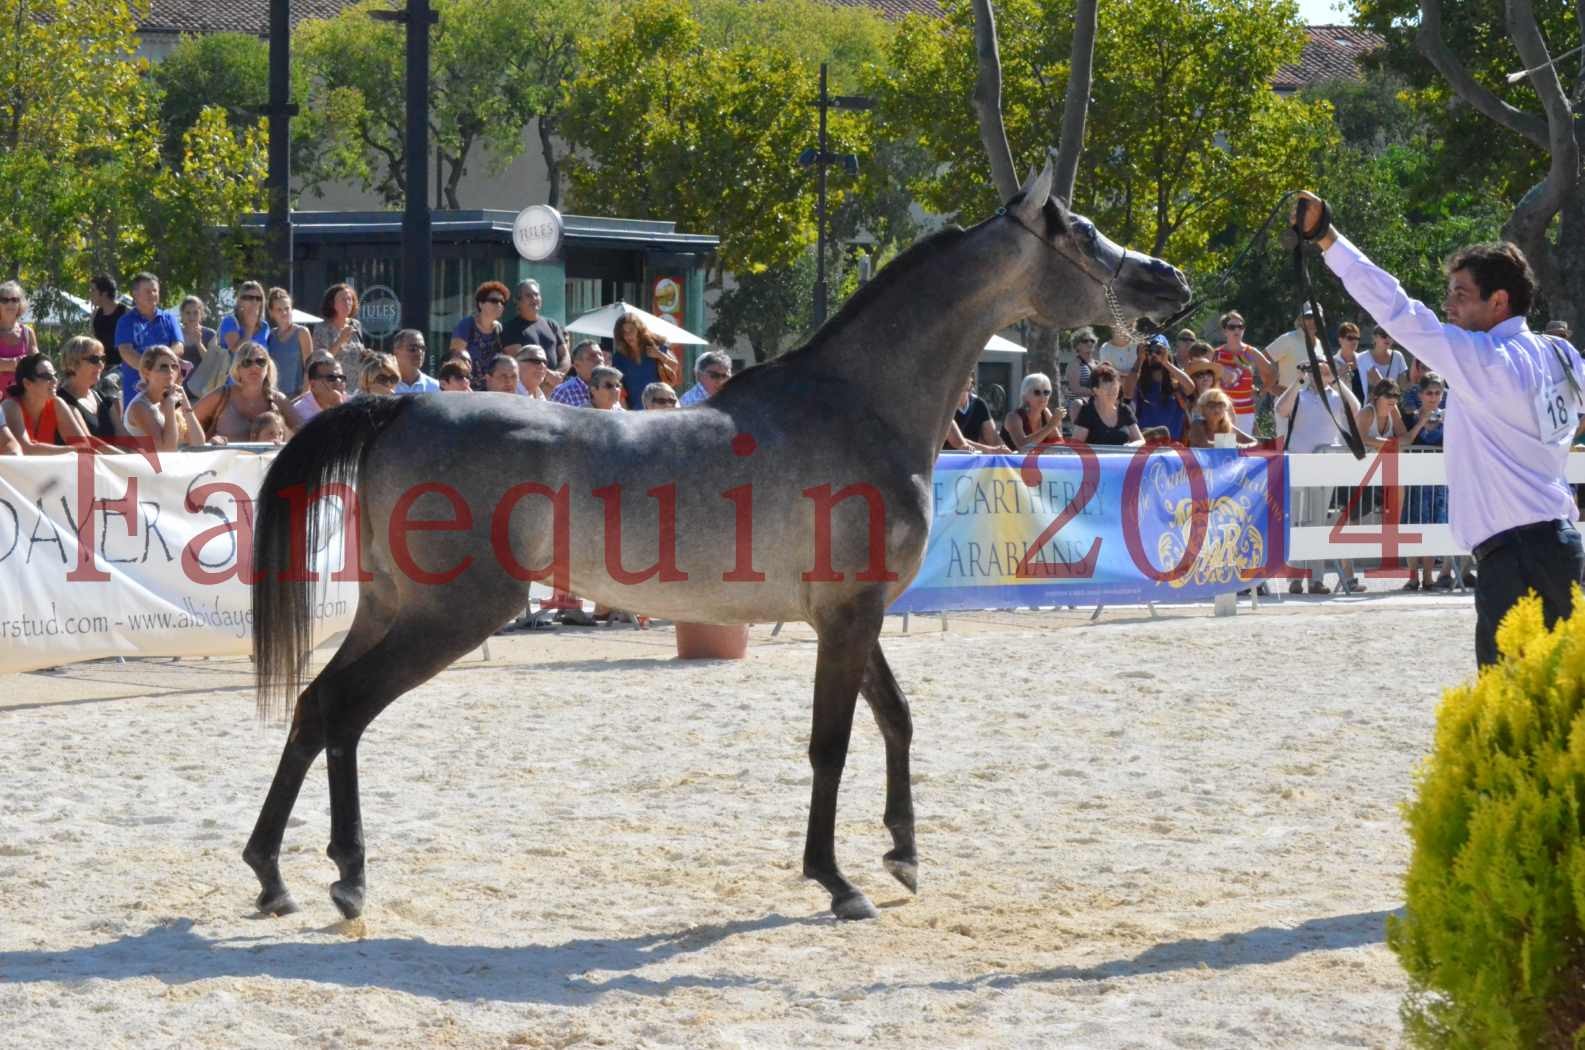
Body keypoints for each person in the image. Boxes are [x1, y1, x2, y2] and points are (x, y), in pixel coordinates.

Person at [1300, 190, 1585, 664]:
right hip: (1563, 548)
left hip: (1513, 561)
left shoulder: (1482, 359)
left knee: (1506, 708)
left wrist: (1328, 239)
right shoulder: (1561, 355)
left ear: (1499, 301)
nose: (1449, 306)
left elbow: (1397, 310)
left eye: (1460, 295)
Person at [1273, 359, 1364, 596]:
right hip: (1299, 464)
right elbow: (1281, 409)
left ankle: (1316, 579)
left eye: (1323, 372)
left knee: (1318, 524)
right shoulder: (1300, 395)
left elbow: (1356, 409)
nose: (1319, 375)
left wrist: (1337, 379)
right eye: (1316, 371)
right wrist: (1297, 380)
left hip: (1325, 465)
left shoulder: (1335, 396)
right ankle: (1294, 578)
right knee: (1297, 521)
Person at [1402, 372, 1453, 592]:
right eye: (1429, 393)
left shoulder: (1450, 416)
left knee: (1434, 524)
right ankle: (1413, 577)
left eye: (1437, 393)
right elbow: (1404, 442)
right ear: (1421, 394)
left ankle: (1429, 577)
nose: (1433, 397)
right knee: (1413, 525)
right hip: (1416, 478)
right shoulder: (1411, 416)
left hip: (1440, 480)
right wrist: (1422, 420)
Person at [194, 342, 304, 442]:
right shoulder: (222, 395)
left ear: (268, 368)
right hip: (225, 462)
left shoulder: (278, 400)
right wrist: (209, 442)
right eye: (247, 362)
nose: (254, 367)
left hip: (268, 463)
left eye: (260, 362)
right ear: (238, 369)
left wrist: (283, 440)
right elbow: (186, 424)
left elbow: (304, 431)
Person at [1, 353, 94, 454]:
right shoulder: (10, 406)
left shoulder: (57, 403)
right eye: (47, 376)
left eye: (55, 375)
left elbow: (83, 444)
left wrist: (78, 449)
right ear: (27, 383)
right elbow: (26, 449)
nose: (55, 380)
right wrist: (74, 450)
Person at [113, 272, 181, 408]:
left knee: (172, 425)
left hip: (166, 389)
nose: (152, 294)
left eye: (155, 290)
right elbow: (126, 352)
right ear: (135, 294)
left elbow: (178, 346)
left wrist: (160, 372)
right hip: (136, 390)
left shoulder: (169, 318)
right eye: (147, 291)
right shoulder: (125, 321)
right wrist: (151, 372)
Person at [124, 345, 206, 451]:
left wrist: (185, 402)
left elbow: (198, 442)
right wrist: (169, 408)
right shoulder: (140, 407)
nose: (170, 371)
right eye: (163, 367)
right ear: (146, 372)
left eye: (174, 366)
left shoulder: (171, 399)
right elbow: (167, 450)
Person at [500, 279, 569, 388]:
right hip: (528, 390)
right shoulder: (510, 328)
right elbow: (519, 360)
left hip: (556, 386)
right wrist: (548, 376)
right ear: (518, 301)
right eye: (528, 296)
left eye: (536, 295)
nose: (534, 299)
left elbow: (565, 355)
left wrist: (559, 375)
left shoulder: (552, 324)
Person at [1214, 310, 1274, 434]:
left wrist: (1262, 391)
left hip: (1245, 412)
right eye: (1232, 327)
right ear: (1225, 331)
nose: (1237, 330)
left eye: (1240, 327)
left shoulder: (1250, 352)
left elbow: (1272, 372)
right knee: (1223, 448)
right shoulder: (1216, 354)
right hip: (1222, 411)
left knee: (1243, 450)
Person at [610, 311, 680, 409]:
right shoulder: (619, 357)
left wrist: (659, 355)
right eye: (624, 332)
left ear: (639, 330)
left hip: (662, 405)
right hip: (636, 410)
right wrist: (626, 413)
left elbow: (675, 366)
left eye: (631, 330)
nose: (628, 335)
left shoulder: (655, 345)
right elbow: (620, 389)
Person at [1131, 333, 1195, 440]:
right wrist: (1139, 360)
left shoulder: (1176, 382)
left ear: (1167, 353)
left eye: (1158, 351)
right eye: (1150, 352)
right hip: (1146, 445)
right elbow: (1127, 392)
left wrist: (1166, 363)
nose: (1154, 355)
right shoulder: (1139, 382)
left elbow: (1190, 387)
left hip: (1173, 448)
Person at [57, 336, 121, 441]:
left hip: (110, 457)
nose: (101, 365)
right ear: (73, 363)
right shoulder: (62, 401)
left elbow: (124, 436)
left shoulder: (102, 398)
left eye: (103, 359)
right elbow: (89, 444)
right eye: (94, 359)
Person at [451, 281, 509, 387]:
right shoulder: (467, 325)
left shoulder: (499, 329)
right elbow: (454, 360)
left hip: (493, 391)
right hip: (468, 390)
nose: (499, 305)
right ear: (481, 304)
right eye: (494, 301)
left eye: (502, 302)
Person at [1071, 363, 1143, 446]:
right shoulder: (1087, 412)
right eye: (1107, 388)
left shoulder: (1124, 410)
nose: (1112, 392)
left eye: (1115, 388)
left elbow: (1140, 440)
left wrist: (1130, 446)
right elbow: (1075, 445)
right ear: (1095, 390)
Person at [314, 283, 368, 389]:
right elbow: (320, 361)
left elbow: (359, 351)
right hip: (334, 387)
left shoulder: (355, 324)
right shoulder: (322, 328)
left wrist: (366, 355)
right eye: (343, 299)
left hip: (357, 387)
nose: (347, 303)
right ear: (332, 303)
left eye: (350, 299)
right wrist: (340, 340)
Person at [264, 287, 313, 397]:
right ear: (271, 313)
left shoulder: (302, 332)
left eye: (287, 308)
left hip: (297, 395)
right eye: (279, 310)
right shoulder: (270, 335)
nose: (284, 312)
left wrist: (304, 396)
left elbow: (310, 368)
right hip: (274, 395)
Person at [1262, 304, 1320, 396]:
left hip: (1313, 404)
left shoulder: (1320, 343)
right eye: (1308, 317)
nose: (1313, 321)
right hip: (1289, 406)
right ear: (1300, 320)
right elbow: (1263, 359)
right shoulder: (1289, 338)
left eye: (1316, 317)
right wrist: (1272, 387)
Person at [1002, 372, 1066, 451]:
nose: (1043, 397)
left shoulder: (1045, 412)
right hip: (1010, 462)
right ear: (1025, 395)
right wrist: (1050, 425)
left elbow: (1058, 443)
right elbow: (1023, 447)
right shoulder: (1013, 417)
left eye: (1046, 392)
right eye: (1037, 392)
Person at [0, 282, 40, 401]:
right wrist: (18, 362)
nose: (10, 304)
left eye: (14, 299)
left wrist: (5, 364)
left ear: (20, 303)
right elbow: (27, 363)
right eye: (4, 300)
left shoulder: (28, 332)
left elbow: (36, 364)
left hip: (23, 399)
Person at [219, 281, 271, 364]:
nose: (254, 302)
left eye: (258, 298)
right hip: (233, 376)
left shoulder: (264, 326)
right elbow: (235, 351)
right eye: (249, 298)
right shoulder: (230, 321)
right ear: (240, 301)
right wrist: (250, 327)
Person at [1185, 388, 1257, 448]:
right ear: (1202, 409)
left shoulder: (1228, 426)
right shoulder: (1197, 424)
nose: (1217, 409)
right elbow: (1205, 445)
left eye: (1221, 405)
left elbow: (1255, 442)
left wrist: (1241, 446)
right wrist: (1233, 445)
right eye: (1211, 405)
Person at [953, 374, 1003, 449]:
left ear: (972, 381)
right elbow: (956, 440)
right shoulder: (944, 406)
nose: (963, 377)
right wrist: (990, 450)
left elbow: (993, 439)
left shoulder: (979, 404)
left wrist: (1006, 452)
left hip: (973, 458)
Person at [291, 358, 349, 423]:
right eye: (331, 377)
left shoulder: (350, 401)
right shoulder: (299, 411)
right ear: (313, 385)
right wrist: (337, 404)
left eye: (341, 377)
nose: (338, 381)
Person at [1357, 379, 1407, 451]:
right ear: (1376, 396)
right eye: (1388, 395)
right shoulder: (1367, 412)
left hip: (1383, 460)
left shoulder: (1393, 409)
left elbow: (1406, 438)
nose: (1393, 399)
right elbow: (1361, 439)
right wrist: (1390, 443)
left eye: (1396, 395)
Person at [551, 341, 602, 407]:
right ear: (577, 365)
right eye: (592, 356)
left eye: (601, 355)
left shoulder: (610, 388)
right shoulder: (564, 392)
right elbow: (552, 416)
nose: (599, 359)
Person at [88, 274, 127, 361]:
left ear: (104, 293)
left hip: (122, 366)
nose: (90, 294)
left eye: (93, 290)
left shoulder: (126, 313)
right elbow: (92, 343)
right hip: (101, 366)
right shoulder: (95, 315)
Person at [1360, 325, 1410, 392]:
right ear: (1374, 337)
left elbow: (1403, 386)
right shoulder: (1363, 357)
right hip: (1369, 401)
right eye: (1383, 335)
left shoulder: (1398, 356)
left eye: (1390, 335)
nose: (1387, 338)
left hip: (1391, 400)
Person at [1065, 327, 1098, 417]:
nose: (1089, 343)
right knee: (1077, 403)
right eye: (1085, 341)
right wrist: (1097, 392)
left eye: (1092, 340)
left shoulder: (1098, 364)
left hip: (1095, 402)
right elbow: (1076, 389)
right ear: (1077, 345)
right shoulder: (1074, 365)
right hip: (1078, 404)